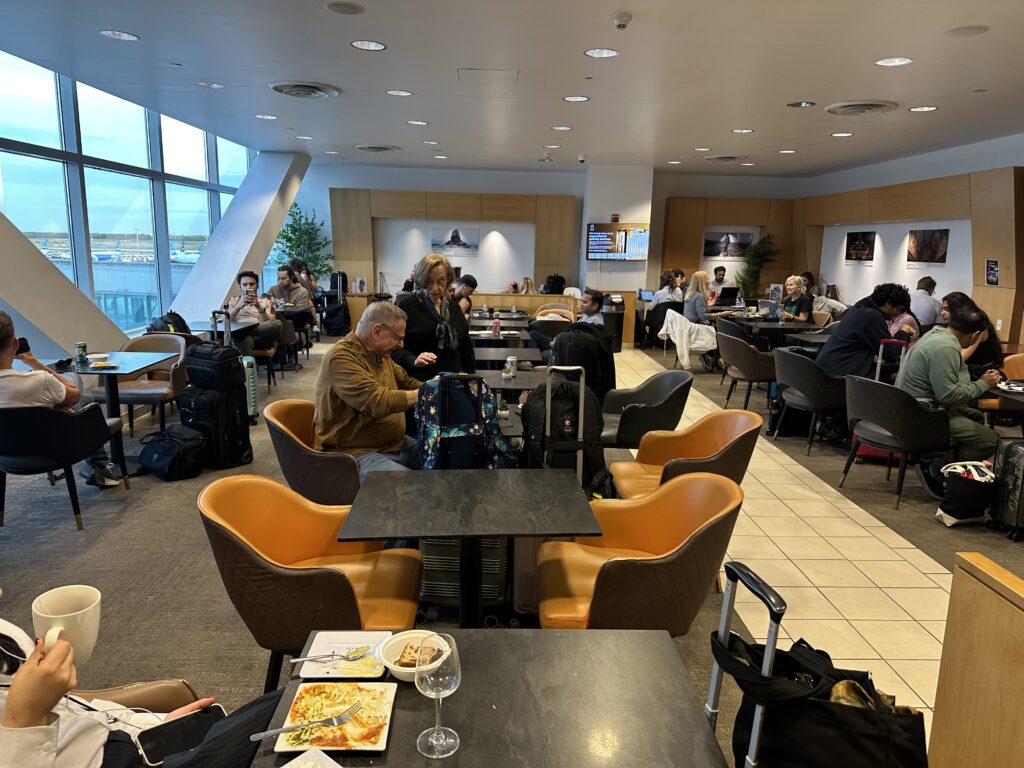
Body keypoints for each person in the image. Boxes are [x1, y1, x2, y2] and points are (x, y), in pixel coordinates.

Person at [0, 618, 280, 768]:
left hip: (130, 744)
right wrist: (24, 722)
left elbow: (73, 709)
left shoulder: (5, 634)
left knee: (289, 705)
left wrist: (153, 727)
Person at [0, 312, 118, 488]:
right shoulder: (39, 381)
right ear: (16, 343)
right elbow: (75, 395)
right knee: (78, 389)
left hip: (6, 457)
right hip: (54, 450)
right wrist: (34, 364)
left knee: (82, 398)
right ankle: (99, 466)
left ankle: (100, 466)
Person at [896, 306, 1000, 502]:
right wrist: (983, 384)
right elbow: (948, 395)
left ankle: (943, 466)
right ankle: (938, 471)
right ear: (976, 334)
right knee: (989, 439)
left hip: (908, 407)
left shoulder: (934, 335)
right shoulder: (947, 348)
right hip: (923, 415)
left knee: (976, 418)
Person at [313, 301, 423, 479]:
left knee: (449, 459)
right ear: (377, 330)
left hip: (396, 445)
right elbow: (377, 402)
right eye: (398, 337)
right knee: (407, 487)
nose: (401, 344)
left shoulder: (379, 353)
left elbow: (406, 382)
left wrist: (439, 386)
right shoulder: (341, 357)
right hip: (356, 453)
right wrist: (427, 394)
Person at [393, 254, 475, 383]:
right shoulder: (406, 305)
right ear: (421, 279)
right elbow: (392, 347)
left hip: (452, 383)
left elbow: (466, 349)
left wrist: (472, 380)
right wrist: (412, 359)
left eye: (441, 281)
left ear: (447, 280)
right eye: (429, 281)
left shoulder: (454, 308)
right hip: (417, 384)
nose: (435, 288)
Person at [815, 283, 914, 378]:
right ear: (888, 303)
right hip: (839, 376)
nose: (897, 313)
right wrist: (903, 331)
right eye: (899, 309)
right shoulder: (872, 316)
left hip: (827, 368)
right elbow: (890, 354)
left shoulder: (861, 307)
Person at [942, 292, 1002, 376]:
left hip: (981, 373)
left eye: (947, 309)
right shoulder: (952, 326)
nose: (942, 313)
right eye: (942, 309)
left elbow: (961, 358)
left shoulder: (977, 324)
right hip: (964, 371)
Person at [225, 271, 282, 357]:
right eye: (245, 285)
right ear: (240, 287)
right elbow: (227, 321)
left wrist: (259, 307)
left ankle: (244, 331)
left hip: (259, 336)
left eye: (252, 284)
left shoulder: (265, 301)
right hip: (239, 337)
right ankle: (248, 369)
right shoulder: (233, 300)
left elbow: (268, 323)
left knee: (278, 323)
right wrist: (238, 307)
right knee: (247, 339)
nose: (248, 287)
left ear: (257, 286)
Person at [267, 265, 318, 334]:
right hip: (276, 317)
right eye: (279, 278)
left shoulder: (302, 291)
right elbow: (267, 306)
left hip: (294, 318)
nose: (280, 281)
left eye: (283, 278)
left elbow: (300, 310)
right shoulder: (273, 289)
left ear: (291, 277)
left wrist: (281, 304)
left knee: (305, 312)